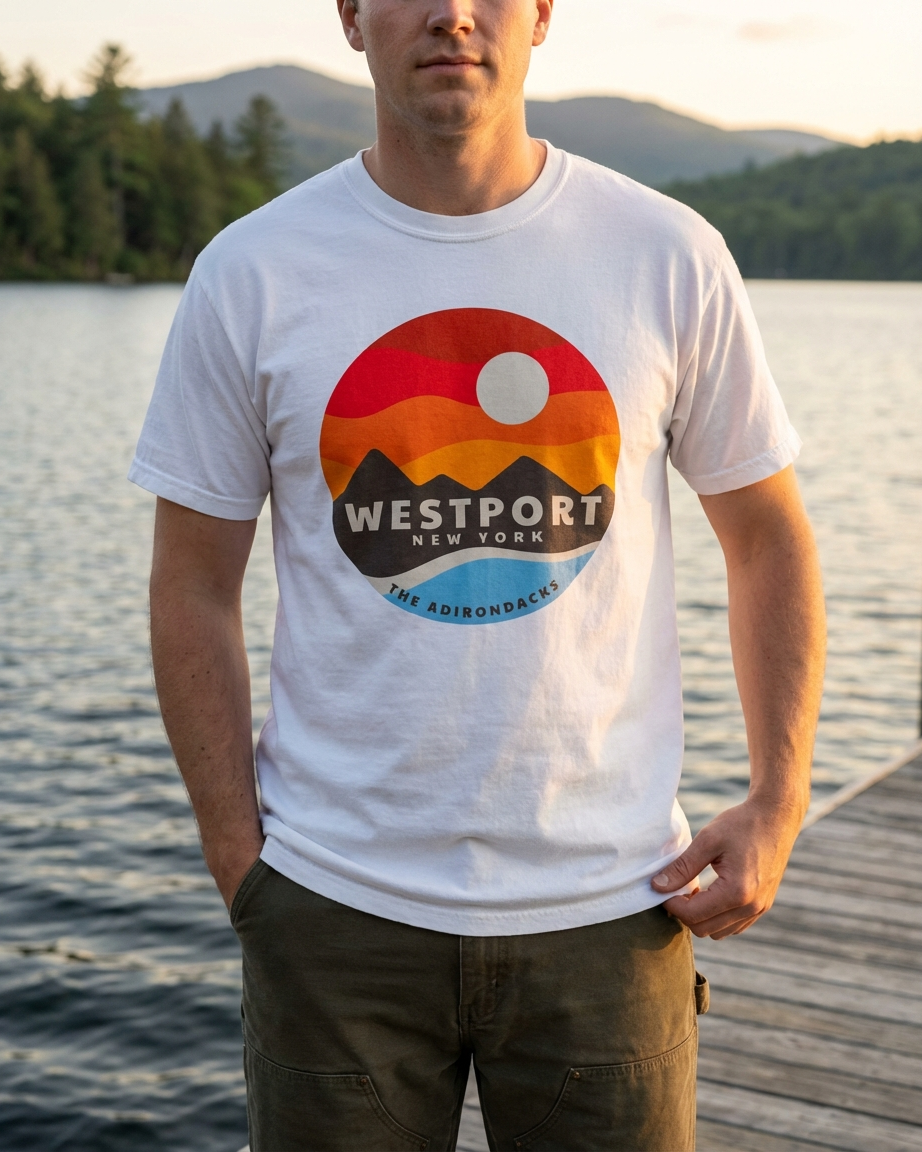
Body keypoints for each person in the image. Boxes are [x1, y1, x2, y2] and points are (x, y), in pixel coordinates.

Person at [130, 1, 826, 1148]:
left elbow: (766, 539)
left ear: (542, 12)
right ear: (351, 14)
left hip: (614, 906)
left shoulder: (663, 253)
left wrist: (778, 800)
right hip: (333, 909)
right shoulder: (253, 271)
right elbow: (192, 584)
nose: (453, 13)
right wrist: (237, 857)